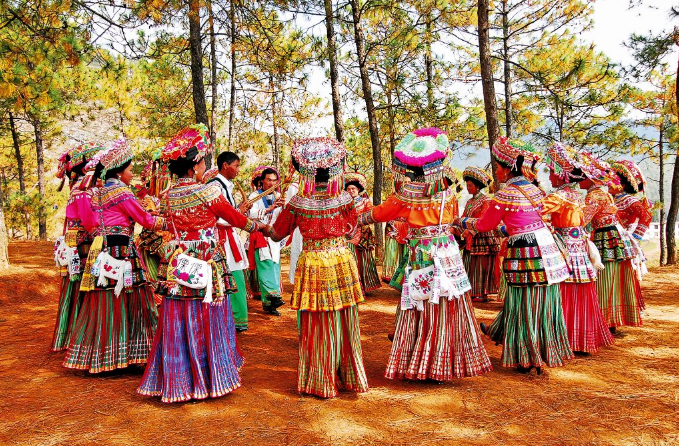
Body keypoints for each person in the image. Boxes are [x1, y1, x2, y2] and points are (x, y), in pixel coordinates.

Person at [138, 124, 262, 403]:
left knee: (179, 313)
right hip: (206, 257)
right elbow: (234, 217)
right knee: (209, 311)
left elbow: (166, 223)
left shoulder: (169, 195)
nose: (206, 165)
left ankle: (178, 377)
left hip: (179, 258)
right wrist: (258, 227)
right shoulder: (206, 192)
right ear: (194, 165)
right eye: (203, 161)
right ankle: (211, 374)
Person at [359, 127, 491, 381]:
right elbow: (452, 219)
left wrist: (354, 218)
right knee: (447, 302)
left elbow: (379, 214)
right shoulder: (447, 192)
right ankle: (444, 361)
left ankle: (422, 360)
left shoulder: (407, 193)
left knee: (421, 302)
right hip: (448, 251)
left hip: (423, 253)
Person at [455, 137, 572, 374]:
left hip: (524, 253)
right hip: (547, 252)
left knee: (523, 302)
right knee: (543, 301)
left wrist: (461, 221)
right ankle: (542, 350)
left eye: (498, 167)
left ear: (508, 168)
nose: (497, 172)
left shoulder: (505, 194)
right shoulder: (536, 191)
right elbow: (520, 224)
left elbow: (485, 225)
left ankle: (526, 356)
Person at [264, 137, 368, 398]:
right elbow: (352, 230)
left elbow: (277, 235)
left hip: (313, 262)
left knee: (317, 320)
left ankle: (320, 378)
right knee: (344, 316)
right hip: (340, 259)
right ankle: (349, 376)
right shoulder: (344, 199)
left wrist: (261, 226)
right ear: (333, 169)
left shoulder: (298, 202)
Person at [63, 138, 165, 373]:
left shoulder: (97, 192)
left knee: (104, 299)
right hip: (122, 251)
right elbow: (145, 220)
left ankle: (104, 356)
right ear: (119, 172)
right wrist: (170, 223)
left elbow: (92, 222)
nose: (132, 174)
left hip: (102, 251)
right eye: (130, 169)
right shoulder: (121, 191)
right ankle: (134, 353)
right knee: (133, 298)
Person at [541, 143, 614, 354]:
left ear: (562, 175)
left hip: (565, 249)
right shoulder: (575, 195)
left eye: (552, 172)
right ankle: (581, 338)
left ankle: (564, 338)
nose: (550, 176)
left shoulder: (558, 196)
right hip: (578, 247)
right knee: (579, 291)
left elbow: (535, 211)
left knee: (563, 290)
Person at [51, 142, 106, 352]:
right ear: (85, 167)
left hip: (77, 240)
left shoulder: (80, 188)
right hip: (83, 242)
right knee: (82, 286)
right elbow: (89, 221)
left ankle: (71, 336)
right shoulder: (83, 190)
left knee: (75, 288)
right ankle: (78, 337)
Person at [208, 151, 253, 331]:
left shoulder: (224, 186)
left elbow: (229, 213)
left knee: (234, 276)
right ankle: (232, 318)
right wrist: (238, 212)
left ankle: (236, 318)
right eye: (236, 165)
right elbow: (217, 217)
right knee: (228, 276)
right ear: (225, 165)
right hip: (221, 238)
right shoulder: (214, 187)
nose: (238, 169)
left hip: (229, 236)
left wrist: (239, 210)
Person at [459, 166, 501, 302]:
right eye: (467, 185)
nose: (467, 188)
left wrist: (471, 230)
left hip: (483, 239)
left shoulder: (486, 200)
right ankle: (470, 291)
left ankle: (482, 293)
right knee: (470, 265)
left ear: (477, 186)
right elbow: (463, 217)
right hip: (470, 239)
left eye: (470, 185)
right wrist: (459, 227)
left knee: (481, 266)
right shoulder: (469, 202)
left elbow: (484, 219)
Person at [247, 166, 285, 315]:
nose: (272, 183)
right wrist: (270, 208)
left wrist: (283, 208)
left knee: (274, 266)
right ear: (262, 181)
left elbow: (282, 217)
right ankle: (272, 297)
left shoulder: (279, 196)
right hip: (260, 236)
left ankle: (270, 304)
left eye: (274, 180)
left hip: (274, 237)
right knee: (266, 266)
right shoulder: (254, 196)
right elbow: (250, 214)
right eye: (269, 180)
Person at [345, 172, 381, 294]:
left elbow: (372, 212)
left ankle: (362, 286)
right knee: (351, 259)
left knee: (362, 260)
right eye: (348, 189)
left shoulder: (365, 201)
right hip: (347, 234)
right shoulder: (343, 203)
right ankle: (353, 287)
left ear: (358, 189)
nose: (351, 191)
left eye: (353, 189)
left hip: (362, 235)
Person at [382, 219, 408, 283]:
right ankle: (392, 275)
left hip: (404, 228)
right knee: (393, 253)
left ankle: (401, 275)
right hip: (393, 231)